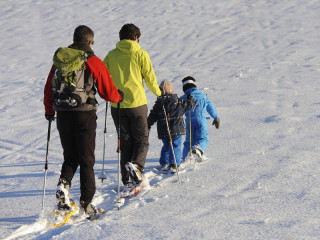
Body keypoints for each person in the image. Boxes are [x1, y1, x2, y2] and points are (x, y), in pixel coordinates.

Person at [43, 25, 123, 218]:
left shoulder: (60, 61)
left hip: (62, 113)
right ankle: (86, 204)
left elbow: (48, 87)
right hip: (84, 115)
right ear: (89, 42)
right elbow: (106, 90)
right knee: (87, 160)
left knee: (70, 156)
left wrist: (49, 111)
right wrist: (118, 97)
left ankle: (64, 187)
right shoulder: (91, 60)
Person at [103, 23, 161, 187]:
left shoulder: (111, 55)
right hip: (137, 104)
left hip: (117, 105)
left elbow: (103, 76)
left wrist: (108, 93)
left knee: (125, 141)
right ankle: (136, 166)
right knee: (142, 139)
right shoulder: (141, 54)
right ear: (136, 38)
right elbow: (149, 78)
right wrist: (159, 93)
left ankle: (127, 179)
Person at [147, 80, 194, 173]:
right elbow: (189, 106)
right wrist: (190, 100)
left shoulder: (159, 104)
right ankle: (174, 164)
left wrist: (148, 124)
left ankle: (164, 163)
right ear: (171, 89)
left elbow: (152, 116)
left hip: (164, 130)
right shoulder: (177, 101)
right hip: (176, 129)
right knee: (175, 145)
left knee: (166, 145)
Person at [180, 76, 220, 161]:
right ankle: (198, 149)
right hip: (201, 120)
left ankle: (185, 158)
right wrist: (216, 117)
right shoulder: (203, 96)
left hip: (189, 121)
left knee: (189, 141)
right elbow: (211, 108)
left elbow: (179, 111)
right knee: (203, 138)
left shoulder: (183, 98)